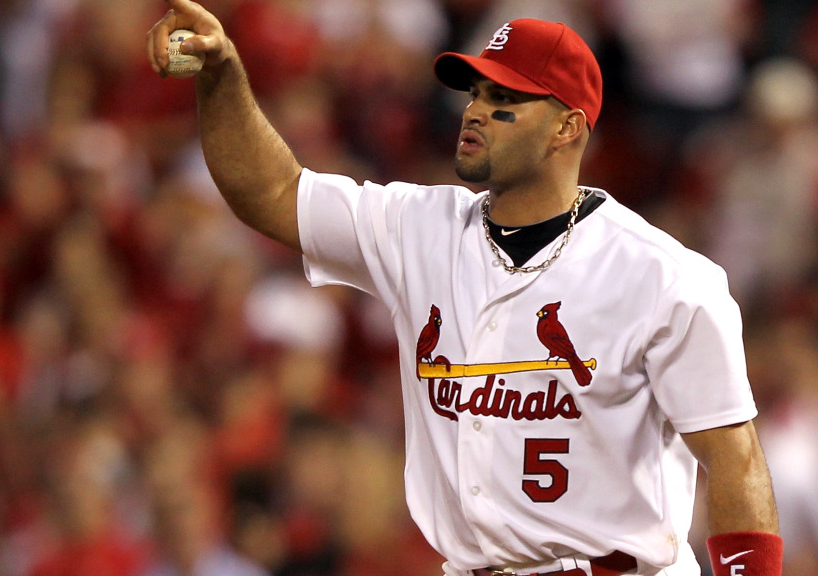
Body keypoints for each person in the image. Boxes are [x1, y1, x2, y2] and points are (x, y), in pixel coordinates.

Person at [147, 2, 783, 575]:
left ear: (566, 128)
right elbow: (272, 193)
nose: (475, 111)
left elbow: (734, 459)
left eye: (505, 100)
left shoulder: (664, 277)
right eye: (475, 93)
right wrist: (222, 76)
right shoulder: (417, 227)